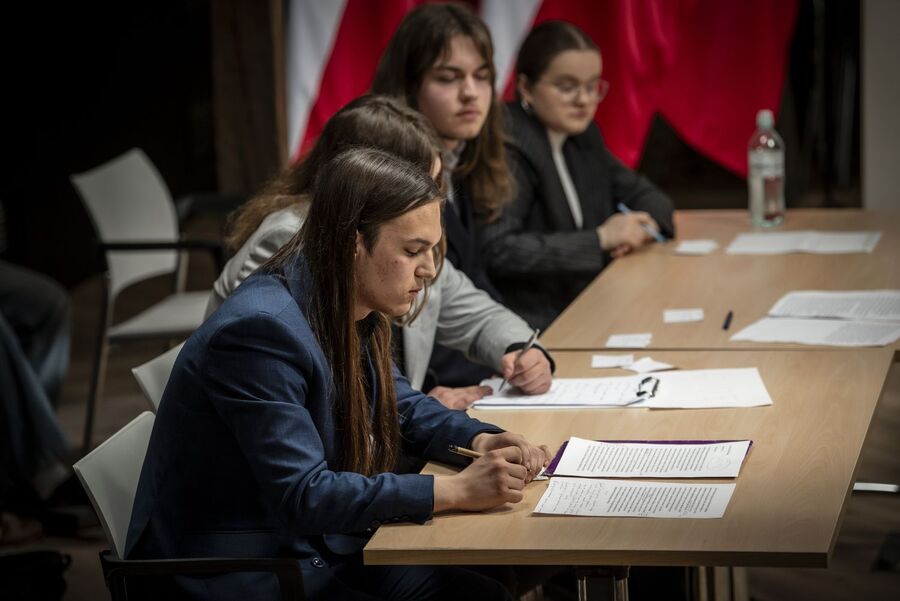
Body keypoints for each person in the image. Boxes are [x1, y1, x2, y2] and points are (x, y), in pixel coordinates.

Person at [126, 147, 551, 601]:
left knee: (488, 585)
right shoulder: (260, 332)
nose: (428, 270)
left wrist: (480, 439)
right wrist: (455, 491)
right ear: (354, 243)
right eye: (413, 251)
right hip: (244, 573)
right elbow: (304, 495)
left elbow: (399, 404)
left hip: (313, 544)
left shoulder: (342, 294)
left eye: (432, 250)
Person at [209, 95, 552, 409]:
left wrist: (522, 351)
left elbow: (475, 313)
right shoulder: (293, 238)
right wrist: (413, 412)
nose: (433, 201)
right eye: (421, 185)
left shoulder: (404, 240)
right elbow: (294, 393)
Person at [478, 21, 676, 330]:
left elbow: (650, 197)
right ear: (526, 87)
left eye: (592, 86)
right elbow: (500, 250)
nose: (584, 100)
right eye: (567, 87)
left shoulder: (583, 136)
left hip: (592, 300)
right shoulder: (510, 144)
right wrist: (601, 239)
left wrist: (639, 230)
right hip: (537, 322)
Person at [372, 3, 520, 389]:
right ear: (409, 87)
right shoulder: (383, 178)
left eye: (482, 76)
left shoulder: (462, 162)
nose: (471, 93)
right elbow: (395, 321)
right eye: (448, 78)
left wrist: (522, 348)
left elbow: (468, 293)